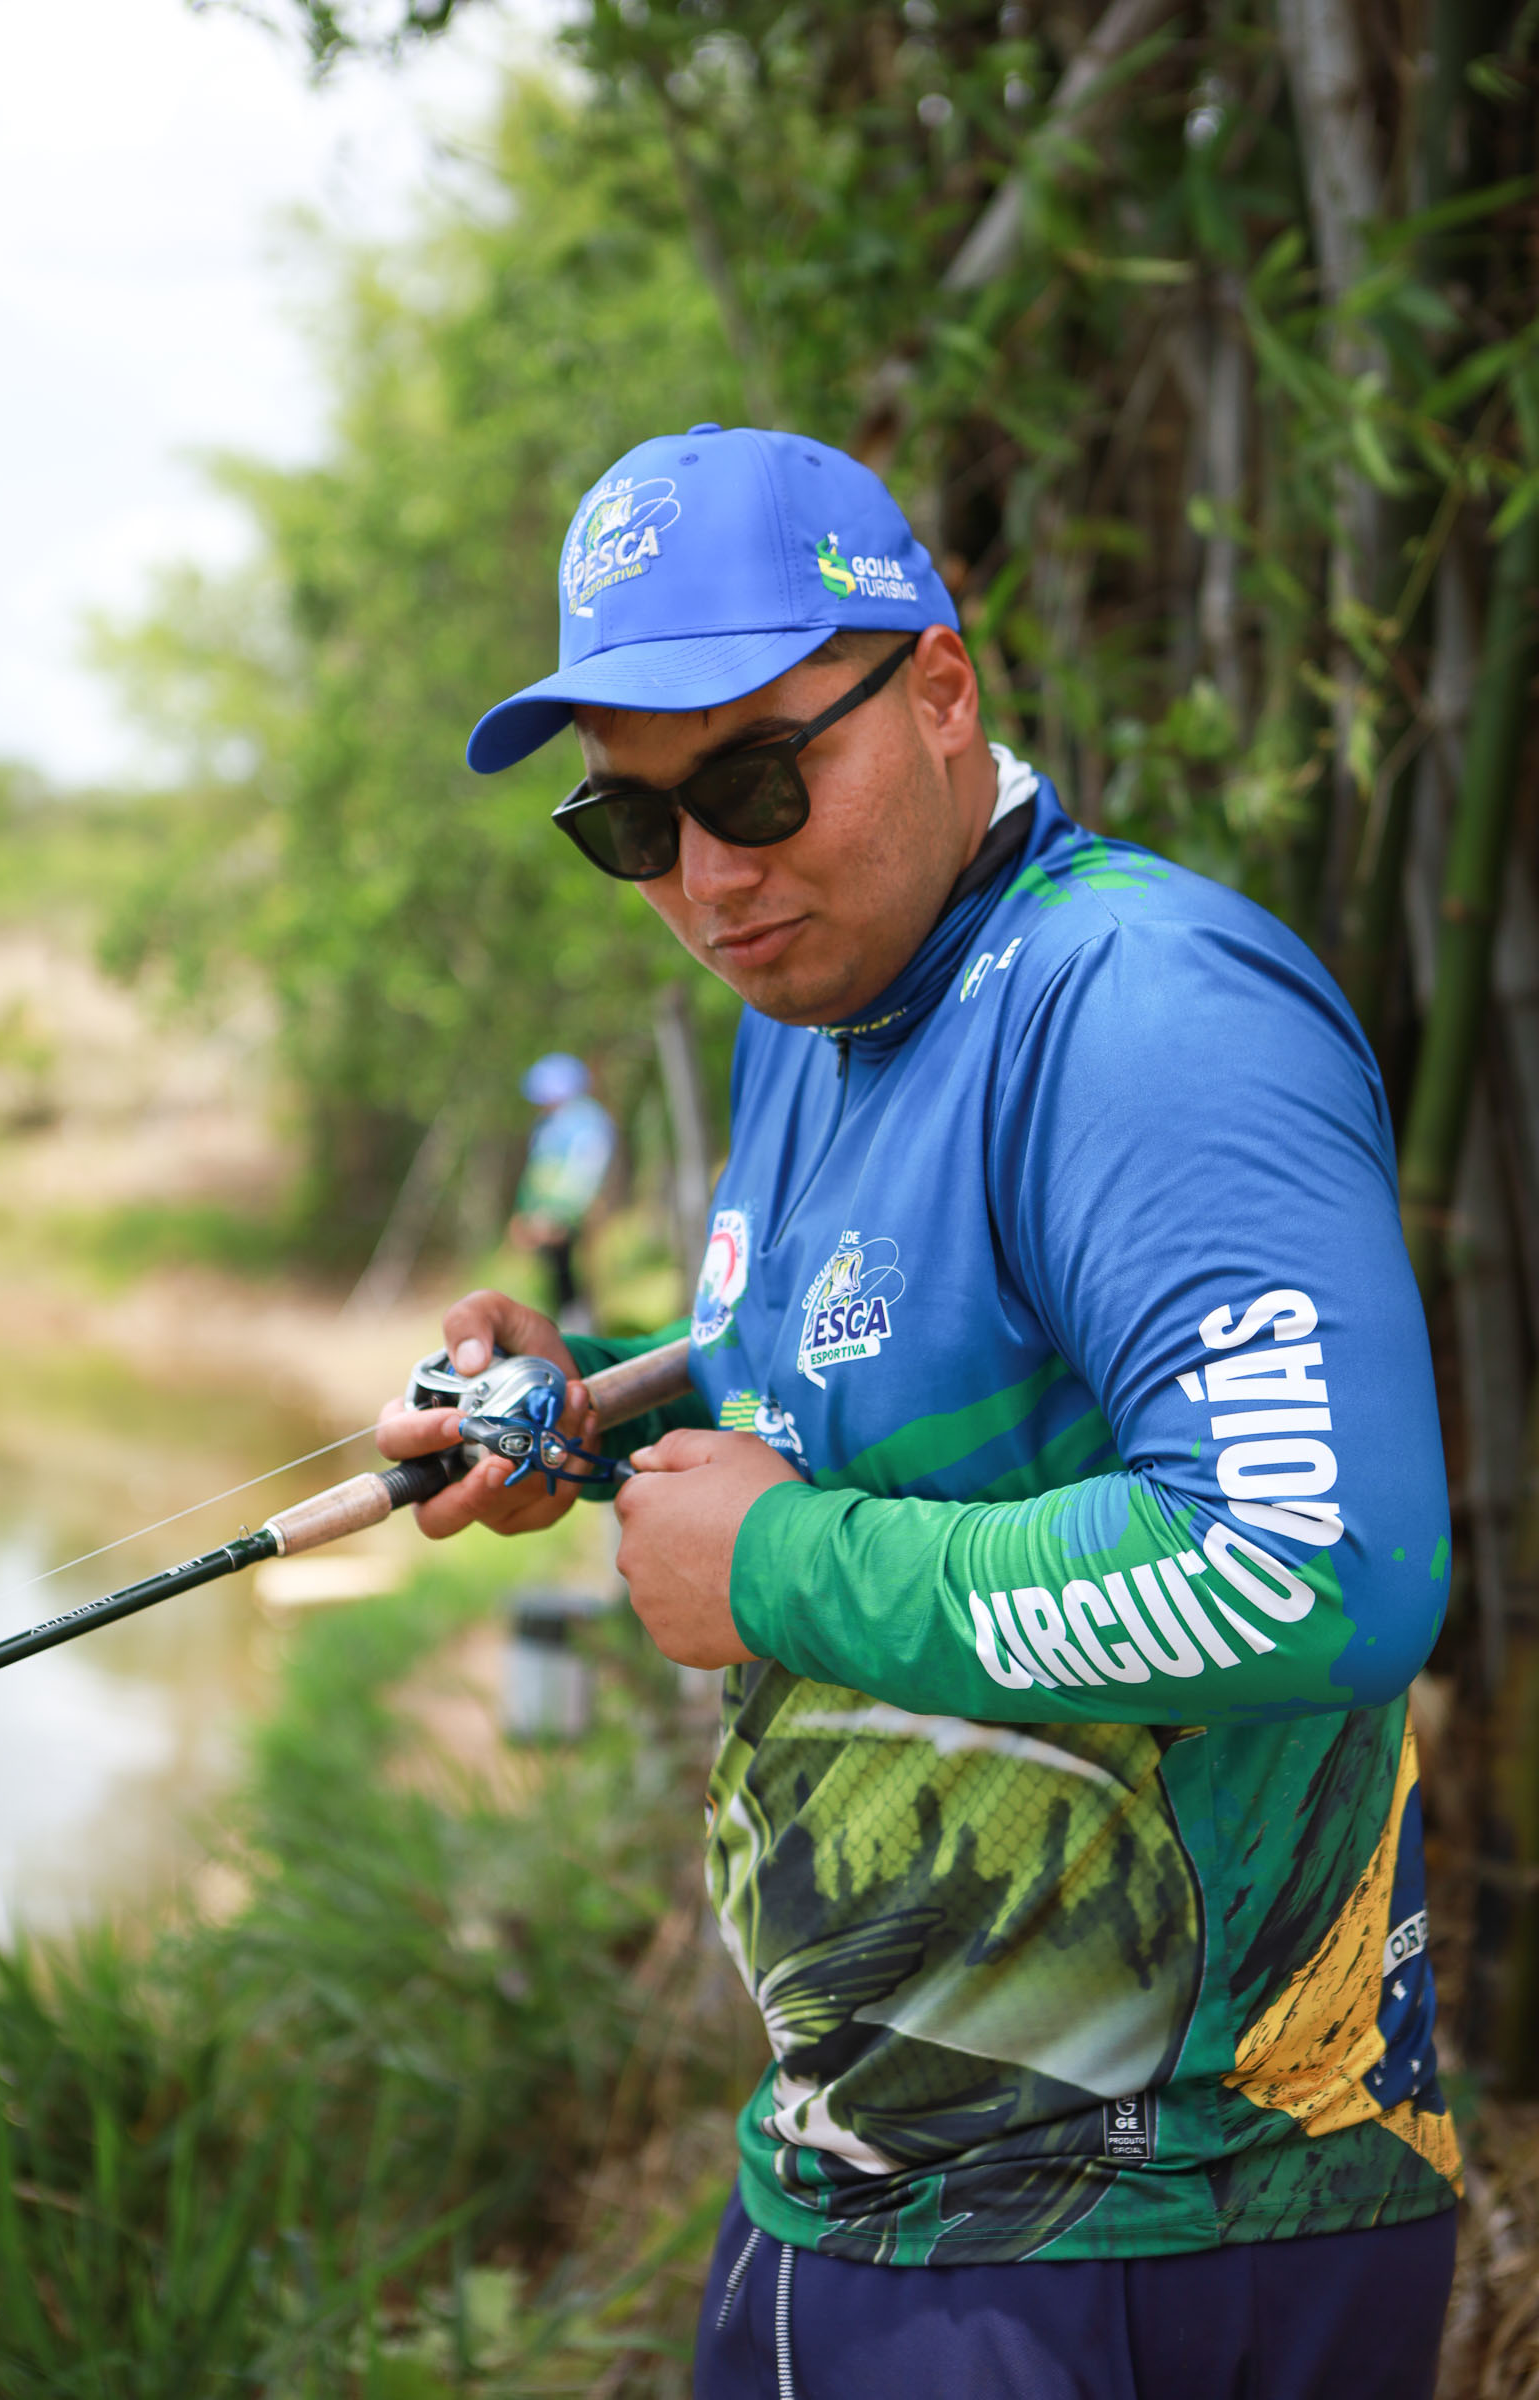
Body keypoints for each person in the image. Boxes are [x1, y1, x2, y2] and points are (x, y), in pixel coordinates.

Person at [377, 425, 1461, 2398]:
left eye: (756, 784)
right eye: (632, 827)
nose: (711, 878)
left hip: (1144, 2228)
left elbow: (1311, 1566)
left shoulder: (1140, 1013)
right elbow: (859, 1382)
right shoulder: (816, 1011)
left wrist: (772, 1568)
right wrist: (580, 1412)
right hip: (862, 2190)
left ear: (939, 691)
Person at [509, 1051, 615, 1331]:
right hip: (545, 1218)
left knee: (575, 1278)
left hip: (567, 1218)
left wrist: (562, 1215)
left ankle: (583, 1333)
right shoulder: (547, 1126)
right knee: (557, 1279)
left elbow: (584, 1172)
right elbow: (538, 1172)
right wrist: (526, 1212)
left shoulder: (586, 1122)